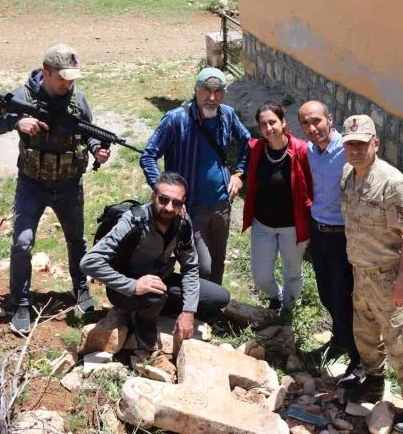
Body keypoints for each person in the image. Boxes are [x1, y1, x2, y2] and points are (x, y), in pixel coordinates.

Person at [0, 43, 111, 334]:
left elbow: (86, 132)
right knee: (22, 243)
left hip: (69, 185)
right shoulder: (22, 96)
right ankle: (21, 302)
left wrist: (97, 147)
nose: (67, 83)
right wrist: (16, 122)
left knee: (77, 240)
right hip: (32, 184)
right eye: (62, 77)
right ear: (46, 72)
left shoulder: (77, 98)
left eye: (72, 77)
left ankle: (80, 288)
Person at [340, 114, 403, 433]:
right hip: (362, 274)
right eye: (350, 144)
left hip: (389, 277)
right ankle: (374, 381)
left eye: (361, 144)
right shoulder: (347, 175)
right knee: (364, 334)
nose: (355, 150)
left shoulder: (393, 183)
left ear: (375, 143)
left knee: (400, 342)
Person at [80, 172, 230, 351]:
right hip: (125, 288)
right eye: (164, 199)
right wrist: (132, 285)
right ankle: (141, 321)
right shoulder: (133, 221)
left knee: (220, 297)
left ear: (182, 203)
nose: (169, 207)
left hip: (161, 280)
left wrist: (189, 311)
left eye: (176, 203)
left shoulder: (182, 222)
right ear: (153, 197)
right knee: (155, 296)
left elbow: (190, 267)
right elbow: (88, 262)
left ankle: (159, 308)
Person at [140, 67, 250, 286]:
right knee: (202, 268)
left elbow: (246, 142)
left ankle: (212, 310)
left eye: (218, 91)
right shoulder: (175, 119)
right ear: (196, 90)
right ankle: (194, 309)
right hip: (190, 208)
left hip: (222, 205)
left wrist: (239, 174)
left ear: (224, 93)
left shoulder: (226, 114)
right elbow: (148, 156)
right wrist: (167, 196)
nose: (212, 97)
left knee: (218, 262)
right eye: (206, 90)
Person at [297, 100, 362, 385]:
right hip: (319, 231)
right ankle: (339, 339)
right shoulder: (309, 151)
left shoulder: (347, 151)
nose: (312, 128)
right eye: (306, 124)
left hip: (343, 235)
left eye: (317, 121)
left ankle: (359, 360)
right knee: (325, 291)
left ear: (330, 119)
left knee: (345, 296)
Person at [242, 101, 312, 311]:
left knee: (292, 271)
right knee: (260, 274)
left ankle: (289, 311)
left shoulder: (300, 150)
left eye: (273, 122)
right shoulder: (256, 149)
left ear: (283, 122)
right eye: (263, 124)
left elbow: (311, 184)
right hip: (263, 224)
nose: (268, 128)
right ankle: (276, 295)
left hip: (292, 226)